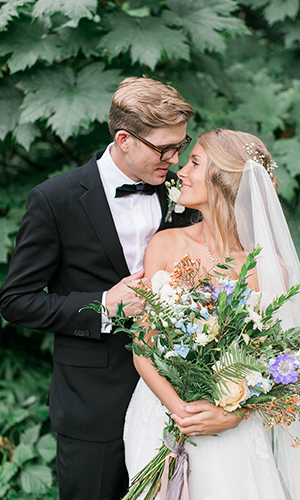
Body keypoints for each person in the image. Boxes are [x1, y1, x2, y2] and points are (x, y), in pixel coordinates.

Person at [0, 76, 195, 500]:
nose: (175, 158)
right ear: (124, 139)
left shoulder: (184, 194)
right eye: (164, 149)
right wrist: (104, 305)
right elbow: (16, 302)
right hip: (93, 405)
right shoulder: (56, 200)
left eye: (180, 145)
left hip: (179, 394)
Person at [124, 129, 300, 499]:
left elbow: (280, 367)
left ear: (226, 179)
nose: (180, 170)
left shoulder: (268, 270)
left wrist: (234, 415)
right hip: (159, 416)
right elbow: (142, 347)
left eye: (195, 162)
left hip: (232, 428)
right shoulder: (166, 244)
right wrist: (181, 411)